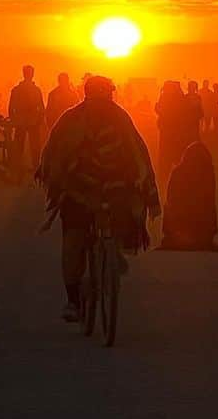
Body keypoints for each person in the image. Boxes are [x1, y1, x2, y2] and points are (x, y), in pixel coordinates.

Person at [37, 74, 160, 324]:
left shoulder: (121, 119)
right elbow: (54, 152)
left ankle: (115, 254)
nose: (102, 103)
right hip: (77, 190)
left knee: (128, 216)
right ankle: (73, 299)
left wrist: (146, 188)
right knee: (73, 242)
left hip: (115, 189)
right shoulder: (70, 120)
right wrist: (57, 177)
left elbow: (139, 154)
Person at [160, 142, 218, 250]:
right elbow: (209, 205)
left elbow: (170, 202)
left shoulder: (178, 172)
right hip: (198, 234)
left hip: (180, 232)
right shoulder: (207, 172)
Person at [155, 80, 191, 192]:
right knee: (178, 159)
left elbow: (158, 109)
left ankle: (164, 182)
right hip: (178, 133)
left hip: (168, 133)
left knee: (165, 160)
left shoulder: (165, 98)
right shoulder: (181, 98)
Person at [8, 65, 45, 173]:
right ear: (32, 75)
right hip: (32, 122)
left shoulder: (16, 90)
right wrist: (40, 120)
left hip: (21, 121)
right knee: (35, 147)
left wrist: (13, 119)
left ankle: (17, 168)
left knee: (19, 146)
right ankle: (35, 168)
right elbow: (42, 107)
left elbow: (11, 107)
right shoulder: (36, 90)